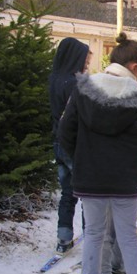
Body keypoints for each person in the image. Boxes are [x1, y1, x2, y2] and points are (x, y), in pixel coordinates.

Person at [58, 32, 137, 274]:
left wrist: (82, 160)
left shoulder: (84, 88)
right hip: (125, 179)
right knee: (127, 237)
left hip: (91, 176)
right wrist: (134, 164)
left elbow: (66, 132)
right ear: (134, 67)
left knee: (93, 234)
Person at [48, 37, 91, 253]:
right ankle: (91, 237)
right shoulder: (76, 83)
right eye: (85, 59)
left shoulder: (55, 78)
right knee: (86, 193)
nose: (86, 64)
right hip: (74, 144)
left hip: (58, 141)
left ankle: (63, 238)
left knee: (68, 193)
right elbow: (81, 116)